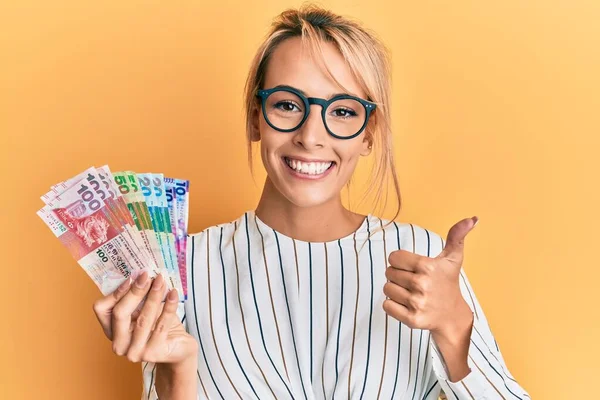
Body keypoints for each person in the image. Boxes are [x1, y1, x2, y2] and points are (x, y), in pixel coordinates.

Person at [92, 5, 530, 399]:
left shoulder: (424, 263)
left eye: (342, 111)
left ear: (368, 134)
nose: (311, 136)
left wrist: (454, 327)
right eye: (287, 104)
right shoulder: (181, 270)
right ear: (254, 117)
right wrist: (176, 374)